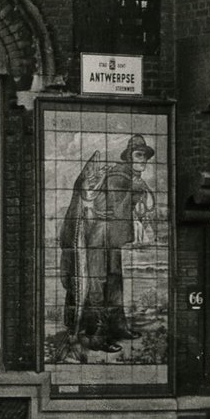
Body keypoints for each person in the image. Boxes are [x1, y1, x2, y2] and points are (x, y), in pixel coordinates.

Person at [58, 134, 156, 357]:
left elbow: (144, 206)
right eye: (138, 155)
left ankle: (118, 327)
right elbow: (105, 205)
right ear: (129, 157)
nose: (143, 160)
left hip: (112, 240)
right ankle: (96, 337)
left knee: (114, 283)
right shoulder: (118, 177)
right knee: (97, 283)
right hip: (98, 239)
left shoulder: (129, 178)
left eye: (145, 156)